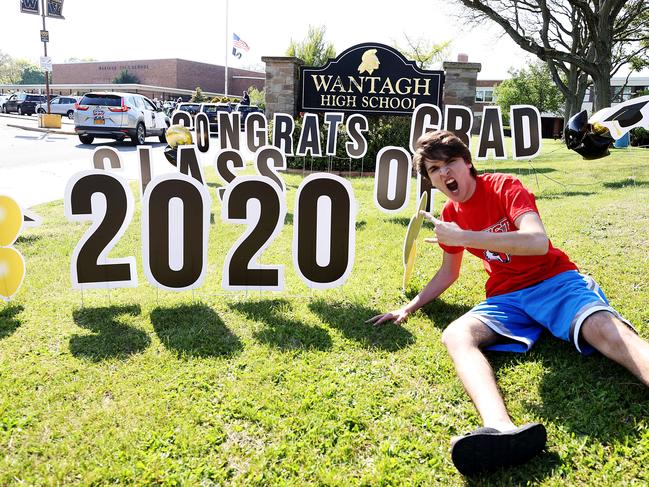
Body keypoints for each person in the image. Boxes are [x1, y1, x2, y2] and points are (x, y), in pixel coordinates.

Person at [367, 130, 649, 476]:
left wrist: (464, 236)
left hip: (553, 281)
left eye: (450, 162)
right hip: (506, 297)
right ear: (429, 180)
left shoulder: (503, 186)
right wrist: (409, 307)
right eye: (434, 169)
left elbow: (537, 241)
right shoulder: (449, 213)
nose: (445, 173)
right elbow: (448, 273)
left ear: (467, 163)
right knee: (456, 336)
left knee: (604, 330)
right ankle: (500, 428)